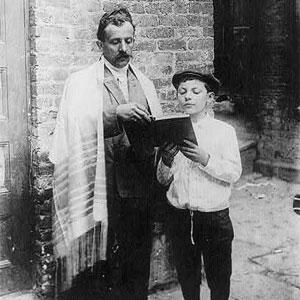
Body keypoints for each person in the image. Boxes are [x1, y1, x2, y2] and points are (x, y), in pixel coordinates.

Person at [50, 7, 163, 299]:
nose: (124, 48)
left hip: (139, 188)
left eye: (129, 40)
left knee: (137, 262)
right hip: (101, 188)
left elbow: (155, 133)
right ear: (100, 44)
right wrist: (115, 114)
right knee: (102, 268)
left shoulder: (146, 84)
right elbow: (73, 128)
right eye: (115, 42)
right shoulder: (81, 82)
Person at [157, 70, 242, 300]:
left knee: (219, 278)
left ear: (210, 98)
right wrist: (165, 159)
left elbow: (234, 172)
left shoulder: (223, 132)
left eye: (196, 92)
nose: (188, 97)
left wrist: (205, 159)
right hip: (181, 216)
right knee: (187, 276)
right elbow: (163, 179)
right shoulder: (171, 130)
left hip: (214, 218)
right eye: (182, 92)